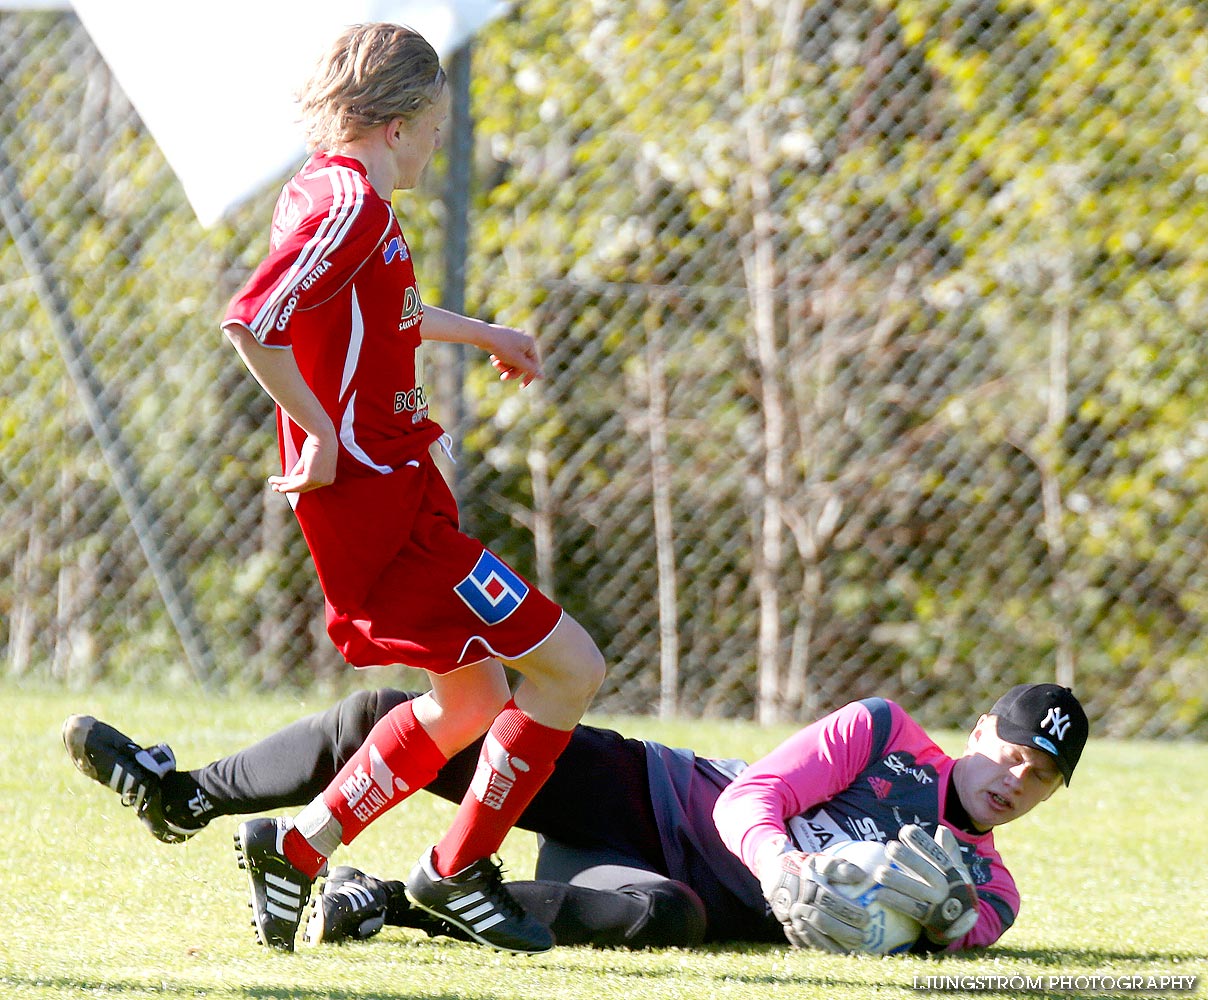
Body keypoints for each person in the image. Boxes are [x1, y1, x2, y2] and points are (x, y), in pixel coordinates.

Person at [215, 22, 606, 953]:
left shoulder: (331, 193)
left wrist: (485, 335)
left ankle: (298, 848)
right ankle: (455, 870)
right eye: (435, 124)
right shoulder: (348, 205)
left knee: (470, 699)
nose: (439, 141)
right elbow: (252, 320)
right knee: (570, 670)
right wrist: (317, 431)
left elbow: (376, 312)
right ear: (396, 123)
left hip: (401, 493)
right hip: (379, 508)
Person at [62, 683, 1089, 954]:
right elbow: (750, 797)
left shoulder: (989, 879)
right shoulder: (882, 731)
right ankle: (185, 791)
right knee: (420, 720)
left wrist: (945, 928)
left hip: (662, 884)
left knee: (662, 916)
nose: (1012, 776)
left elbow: (972, 931)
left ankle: (389, 903)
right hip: (648, 791)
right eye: (1007, 748)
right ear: (973, 728)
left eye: (1037, 777)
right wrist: (781, 870)